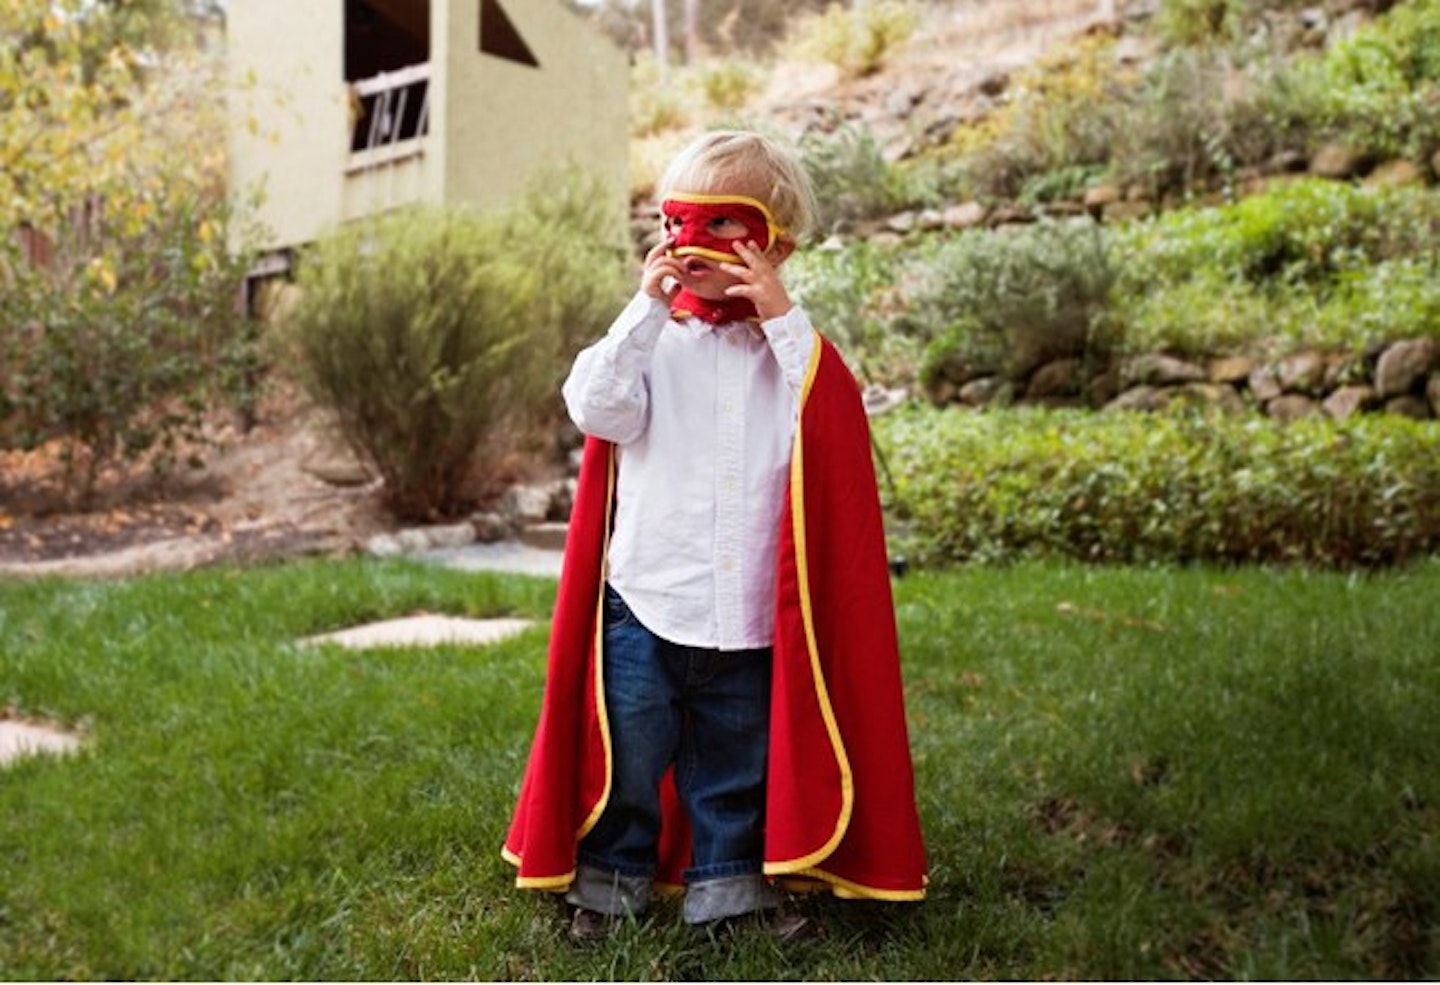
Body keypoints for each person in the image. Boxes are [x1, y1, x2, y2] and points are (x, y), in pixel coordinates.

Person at [502, 129, 926, 941]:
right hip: (648, 602)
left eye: (726, 225)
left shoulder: (791, 357)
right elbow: (596, 406)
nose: (696, 243)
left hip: (748, 613)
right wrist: (646, 306)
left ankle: (728, 894)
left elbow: (829, 417)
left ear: (777, 243)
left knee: (734, 763)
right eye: (681, 223)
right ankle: (609, 884)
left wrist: (780, 314)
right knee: (632, 753)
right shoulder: (655, 346)